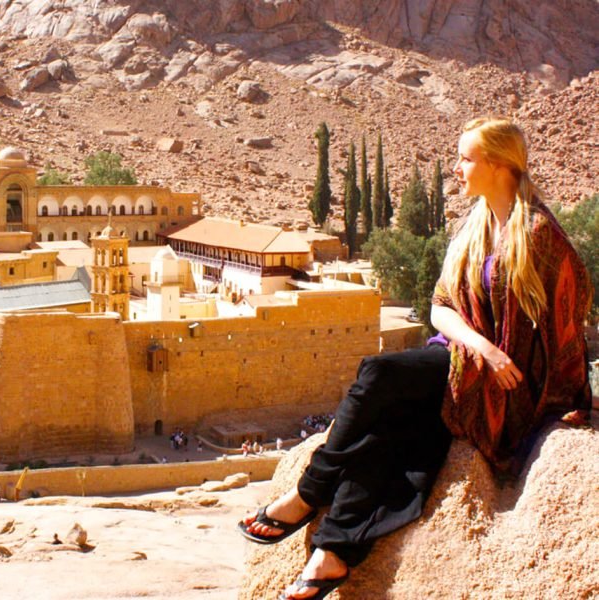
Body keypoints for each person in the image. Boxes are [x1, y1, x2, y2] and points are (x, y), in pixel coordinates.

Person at [239, 117, 592, 600]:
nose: (457, 168)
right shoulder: (476, 226)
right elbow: (439, 307)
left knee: (378, 371)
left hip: (501, 386)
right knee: (395, 436)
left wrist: (564, 396)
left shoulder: (538, 234)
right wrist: (481, 346)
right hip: (465, 359)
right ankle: (334, 553)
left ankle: (309, 492)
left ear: (496, 164)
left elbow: (570, 315)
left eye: (466, 158)